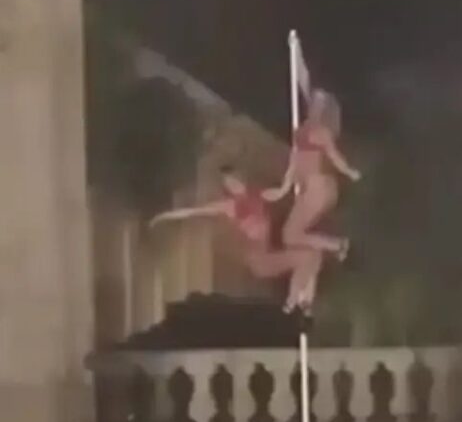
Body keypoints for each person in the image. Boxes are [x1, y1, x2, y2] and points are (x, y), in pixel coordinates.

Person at [150, 166, 322, 314]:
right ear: (228, 189)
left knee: (313, 257)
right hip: (258, 260)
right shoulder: (230, 206)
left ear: (242, 179)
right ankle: (293, 303)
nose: (235, 185)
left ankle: (302, 303)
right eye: (229, 184)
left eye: (235, 181)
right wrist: (163, 217)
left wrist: (295, 167)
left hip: (267, 257)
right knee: (306, 257)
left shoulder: (259, 195)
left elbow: (283, 188)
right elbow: (194, 211)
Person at [281, 88, 361, 262]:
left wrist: (349, 172)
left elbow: (335, 157)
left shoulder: (321, 132)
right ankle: (333, 247)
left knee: (291, 235)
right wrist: (285, 185)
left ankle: (336, 246)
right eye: (314, 102)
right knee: (290, 235)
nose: (315, 107)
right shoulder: (304, 130)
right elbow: (296, 158)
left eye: (320, 104)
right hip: (314, 189)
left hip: (318, 188)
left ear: (325, 110)